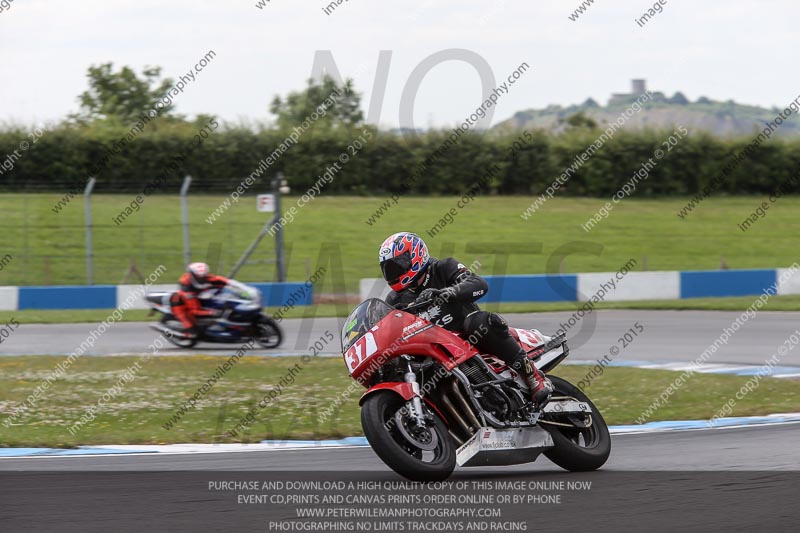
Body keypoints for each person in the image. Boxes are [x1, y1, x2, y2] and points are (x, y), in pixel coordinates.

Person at [379, 232, 553, 408]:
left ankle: (533, 376)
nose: (393, 272)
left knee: (479, 322)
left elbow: (478, 284)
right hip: (434, 353)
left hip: (472, 341)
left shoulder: (443, 268)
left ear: (415, 255)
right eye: (388, 268)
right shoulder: (394, 300)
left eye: (397, 265)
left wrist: (447, 293)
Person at [170, 262, 229, 337]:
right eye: (199, 276)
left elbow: (218, 279)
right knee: (189, 324)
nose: (202, 278)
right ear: (193, 274)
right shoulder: (186, 282)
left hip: (195, 294)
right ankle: (188, 331)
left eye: (204, 275)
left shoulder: (205, 276)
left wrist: (231, 283)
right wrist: (211, 313)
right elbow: (194, 310)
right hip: (182, 301)